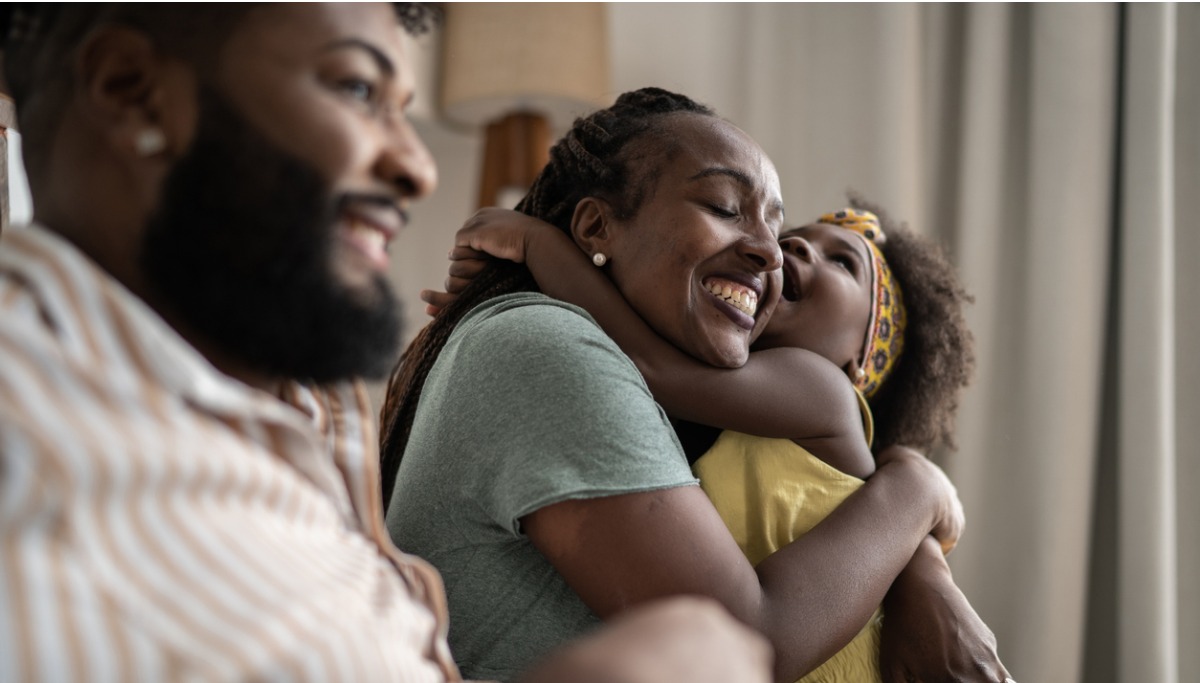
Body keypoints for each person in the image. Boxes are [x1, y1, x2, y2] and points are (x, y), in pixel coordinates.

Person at [0, 5, 776, 682]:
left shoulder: (288, 411)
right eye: (356, 88)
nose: (418, 165)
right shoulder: (30, 431)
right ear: (130, 90)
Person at [381, 88, 1004, 683]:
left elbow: (654, 367)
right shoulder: (551, 350)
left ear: (862, 363)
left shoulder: (798, 392)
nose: (775, 253)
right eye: (725, 208)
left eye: (776, 228)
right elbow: (743, 645)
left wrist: (919, 520)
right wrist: (918, 490)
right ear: (595, 227)